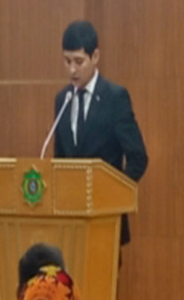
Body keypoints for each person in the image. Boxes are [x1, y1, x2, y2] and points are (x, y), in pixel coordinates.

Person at [53, 20, 148, 245]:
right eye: (67, 61)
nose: (72, 70)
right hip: (70, 221)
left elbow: (138, 157)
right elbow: (60, 160)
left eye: (78, 61)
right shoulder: (62, 99)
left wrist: (114, 195)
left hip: (106, 220)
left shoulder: (115, 98)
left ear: (95, 56)